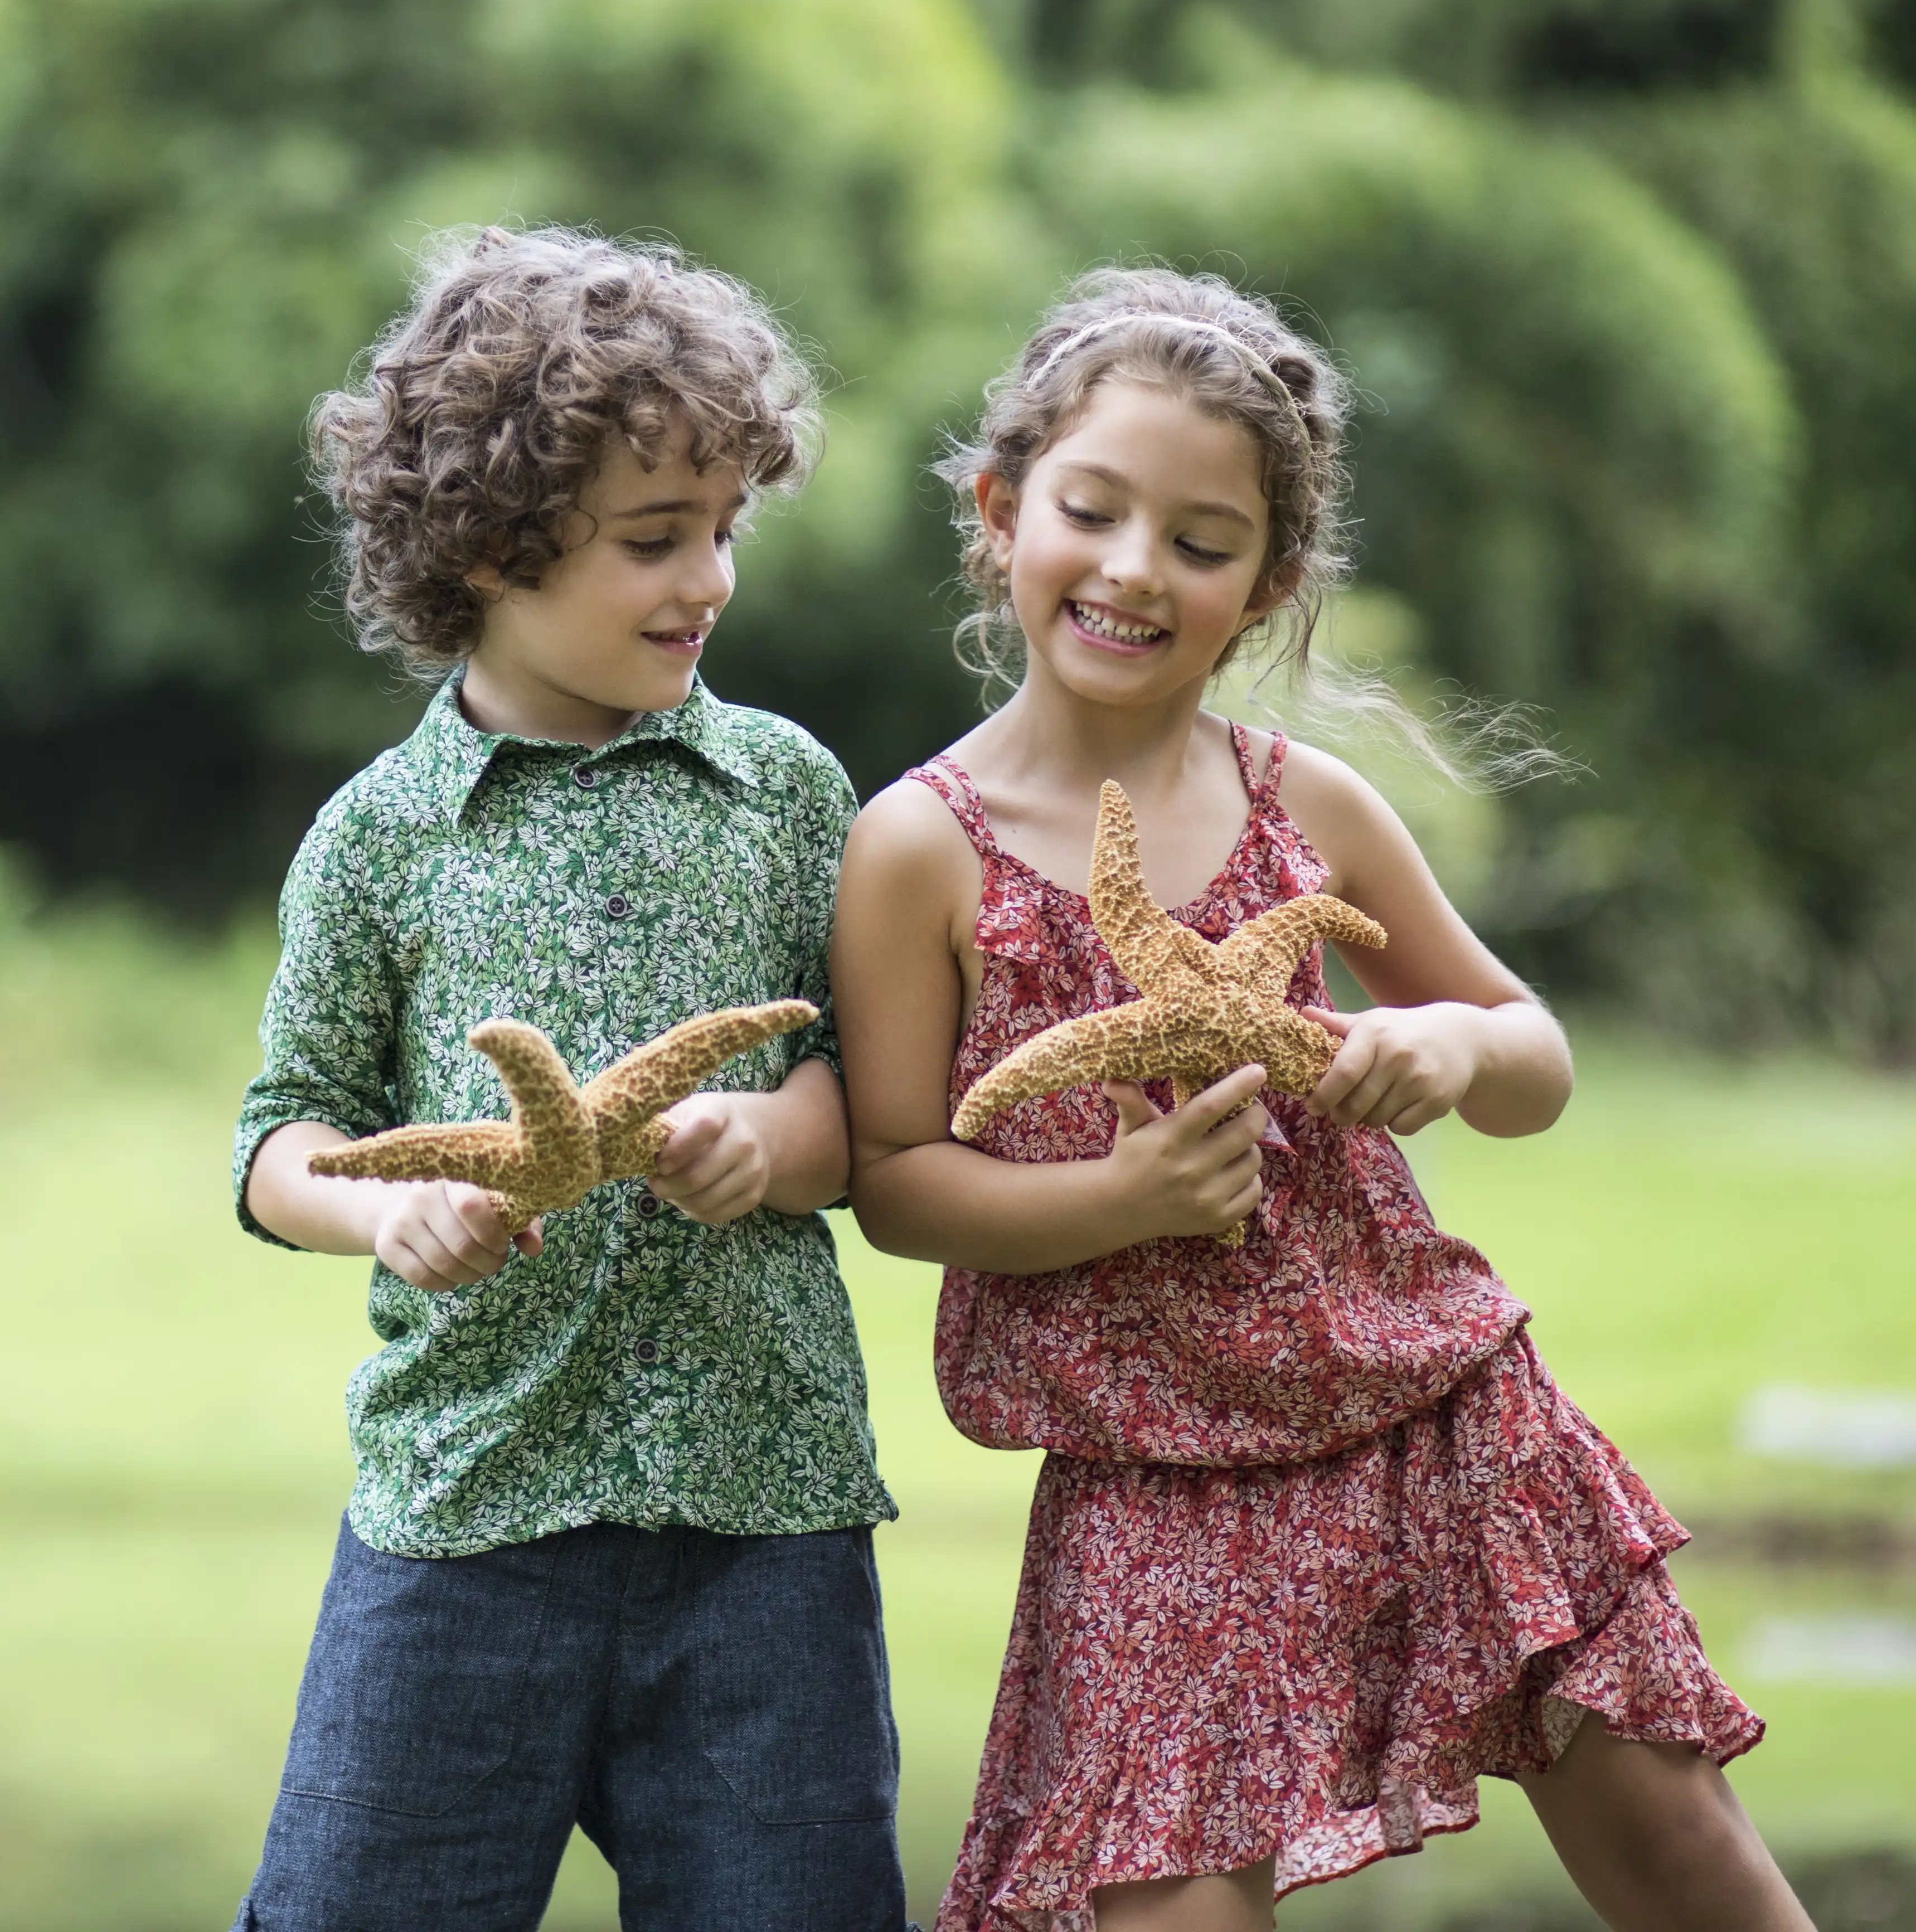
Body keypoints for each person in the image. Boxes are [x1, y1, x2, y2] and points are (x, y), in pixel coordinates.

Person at [830, 267, 1810, 1932]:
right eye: (1094, 511)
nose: (1138, 568)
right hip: (1156, 1475)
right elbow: (895, 1173)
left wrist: (1451, 1050)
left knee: (1678, 1845)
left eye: (1203, 542)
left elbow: (1533, 1055)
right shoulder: (919, 846)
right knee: (1166, 1909)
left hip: (1434, 1411)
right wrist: (1116, 1202)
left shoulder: (1312, 808)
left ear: (1268, 584)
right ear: (1002, 515)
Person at [230, 225, 910, 1932]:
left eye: (725, 530)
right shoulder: (380, 837)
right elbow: (277, 1143)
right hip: (465, 1513)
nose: (711, 581)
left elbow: (867, 1102)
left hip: (762, 1514)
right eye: (652, 542)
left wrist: (774, 1138)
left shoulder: (785, 790)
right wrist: (387, 1220)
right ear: (487, 552)